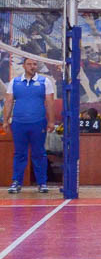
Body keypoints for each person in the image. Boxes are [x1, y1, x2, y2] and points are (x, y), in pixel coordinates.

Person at [3, 57, 55, 194]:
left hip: (38, 123)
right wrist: (5, 121)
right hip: (19, 124)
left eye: (35, 64)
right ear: (24, 66)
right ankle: (16, 182)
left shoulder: (45, 81)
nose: (32, 66)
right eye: (29, 64)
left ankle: (42, 183)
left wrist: (51, 121)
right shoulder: (15, 82)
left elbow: (50, 103)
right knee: (20, 153)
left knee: (39, 153)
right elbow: (8, 102)